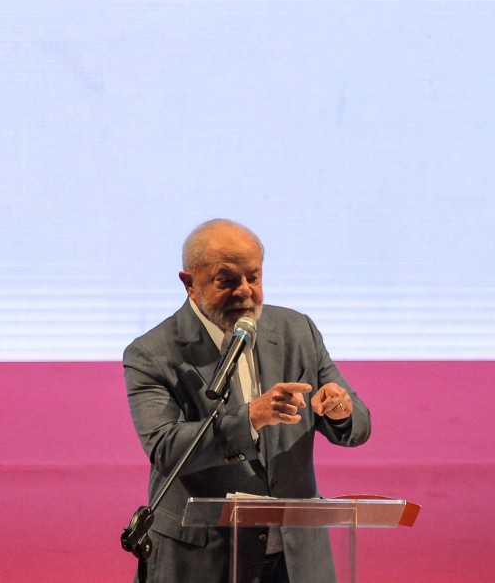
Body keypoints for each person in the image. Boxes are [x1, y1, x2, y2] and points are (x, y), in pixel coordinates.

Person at [124, 220, 371, 583]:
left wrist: (341, 410)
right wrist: (251, 418)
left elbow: (358, 425)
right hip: (205, 560)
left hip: (297, 560)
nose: (246, 292)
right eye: (228, 281)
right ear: (190, 283)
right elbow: (165, 448)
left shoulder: (296, 330)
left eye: (253, 278)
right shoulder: (153, 353)